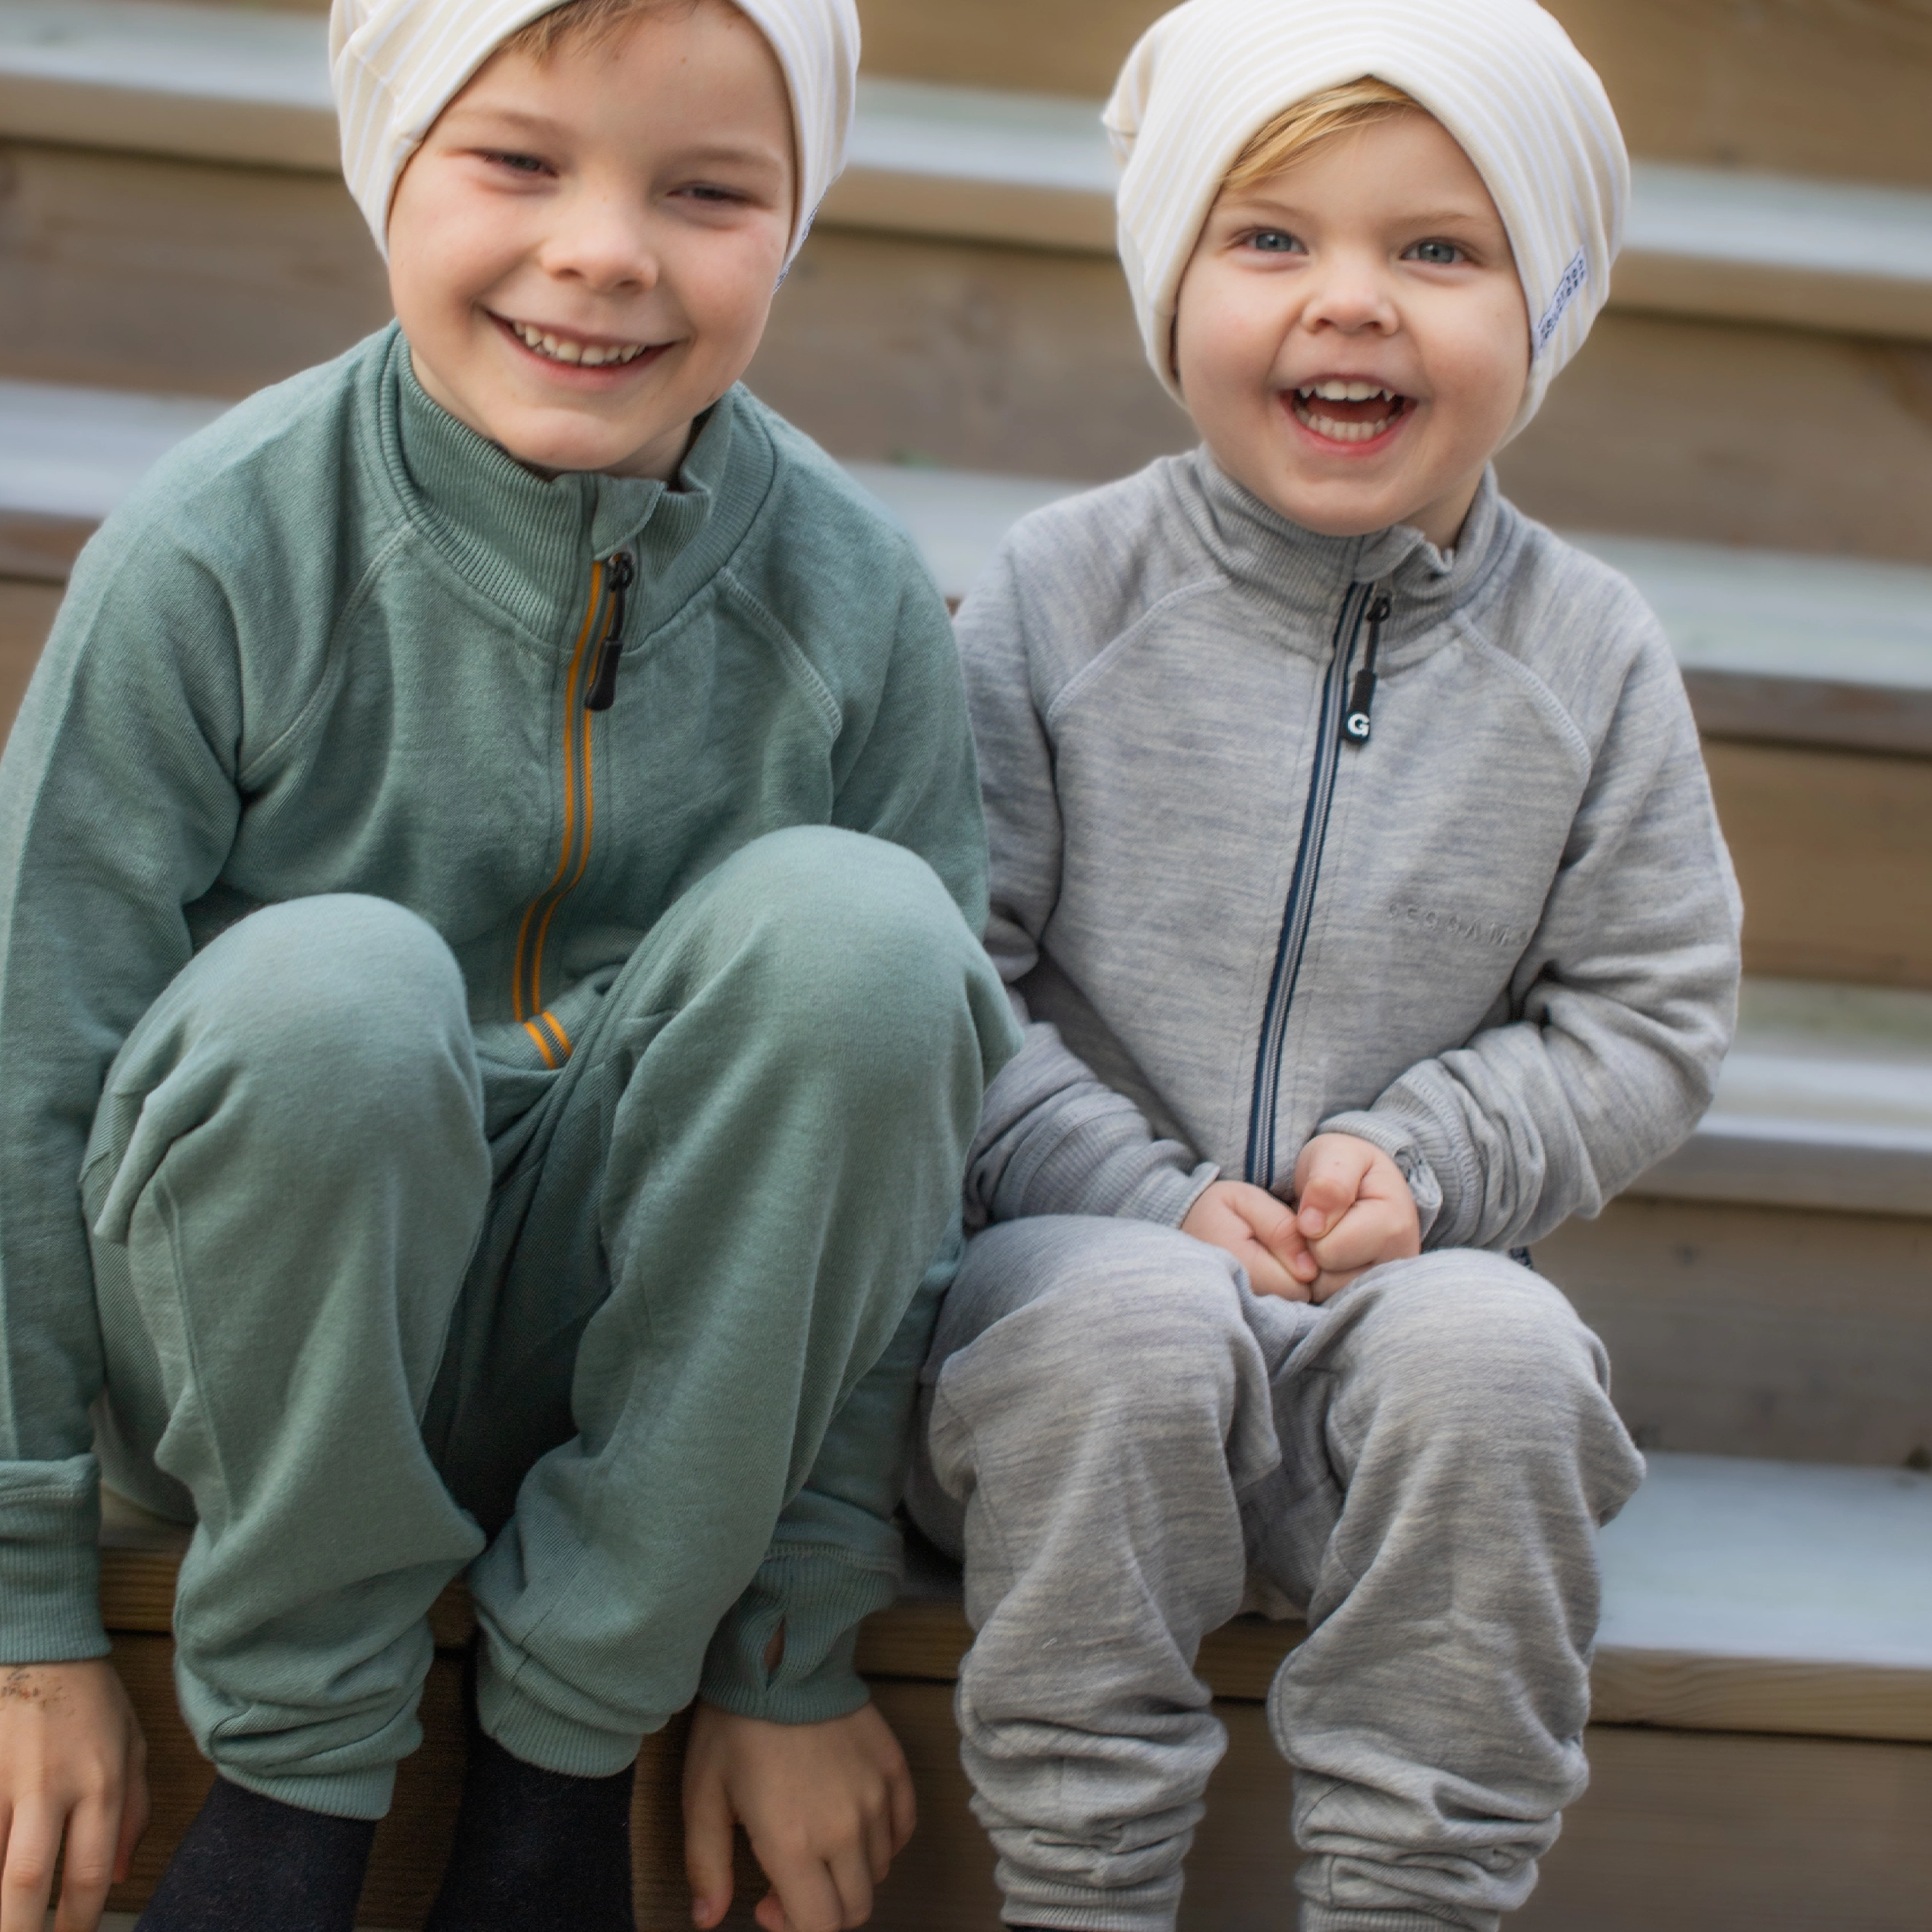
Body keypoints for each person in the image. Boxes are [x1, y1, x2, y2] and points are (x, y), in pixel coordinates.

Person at [0, 2, 1018, 1928]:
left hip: (635, 1369)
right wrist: (27, 1618)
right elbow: (27, 1056)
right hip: (246, 1336)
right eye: (520, 162)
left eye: (708, 190)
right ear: (389, 162)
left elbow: (901, 1192)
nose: (606, 251)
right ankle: (296, 1799)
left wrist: (787, 1645)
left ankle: (551, 1789)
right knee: (335, 993)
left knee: (870, 943)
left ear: (793, 222)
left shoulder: (858, 597)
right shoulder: (216, 554)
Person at [907, 2, 1741, 1928]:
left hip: (1392, 1342)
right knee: (1123, 1322)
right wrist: (1143, 1193)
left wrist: (1432, 1161)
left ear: (1549, 308)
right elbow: (951, 978)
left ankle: (1408, 1893)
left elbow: (1648, 1011)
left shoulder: (1592, 656)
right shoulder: (1054, 597)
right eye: (1269, 237)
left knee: (1508, 1350)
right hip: (1074, 1348)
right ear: (1169, 280)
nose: (1348, 303)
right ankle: (1082, 1883)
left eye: (1435, 249)